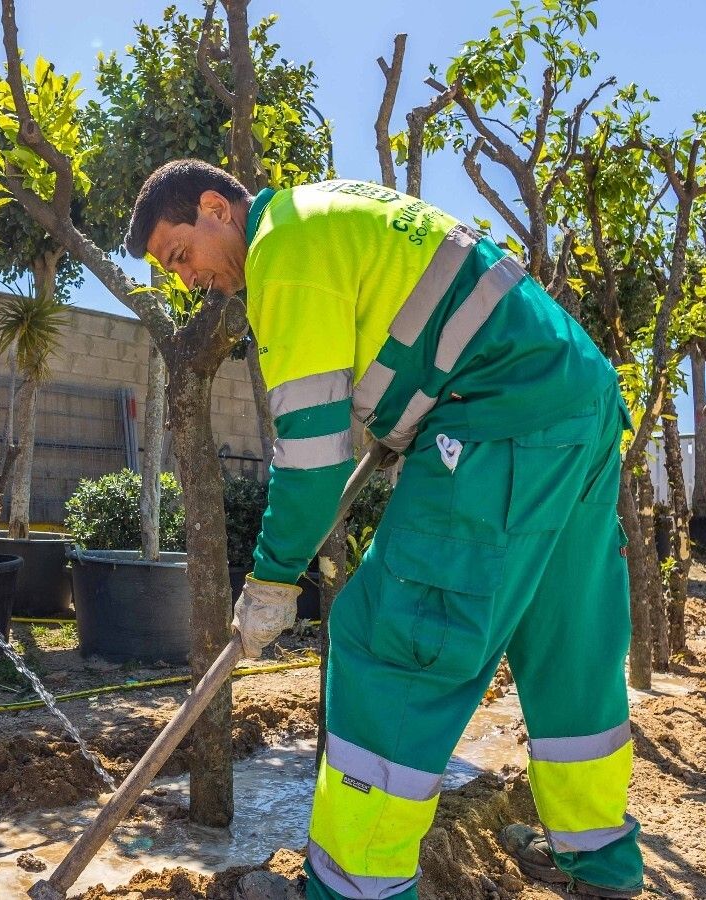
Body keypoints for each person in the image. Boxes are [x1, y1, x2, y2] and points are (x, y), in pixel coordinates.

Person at [125, 160, 644, 899]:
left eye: (180, 255)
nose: (185, 280)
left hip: (499, 419)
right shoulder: (326, 210)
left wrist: (271, 581)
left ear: (216, 208)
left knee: (391, 638)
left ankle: (355, 886)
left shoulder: (284, 254)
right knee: (566, 635)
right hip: (573, 396)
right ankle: (598, 861)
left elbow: (308, 465)